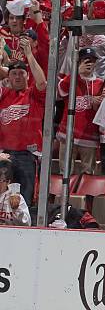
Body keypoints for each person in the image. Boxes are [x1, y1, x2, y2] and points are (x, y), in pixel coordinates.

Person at [0, 38, 46, 206]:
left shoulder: (33, 94)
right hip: (5, 155)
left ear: (27, 76)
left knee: (24, 200)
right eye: (14, 73)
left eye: (22, 73)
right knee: (3, 200)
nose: (18, 76)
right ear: (8, 76)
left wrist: (28, 54)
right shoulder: (3, 94)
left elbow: (42, 82)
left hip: (28, 156)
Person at [56, 47, 103, 175]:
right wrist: (76, 73)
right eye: (85, 61)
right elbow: (61, 90)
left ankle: (85, 196)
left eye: (92, 61)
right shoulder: (71, 78)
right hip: (68, 133)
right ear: (78, 62)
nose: (89, 64)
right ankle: (63, 195)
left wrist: (98, 103)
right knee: (64, 172)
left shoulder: (100, 83)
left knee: (88, 172)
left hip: (89, 134)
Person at [0, 159, 31, 226]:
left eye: (0, 181)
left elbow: (26, 223)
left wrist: (16, 209)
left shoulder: (15, 196)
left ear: (8, 182)